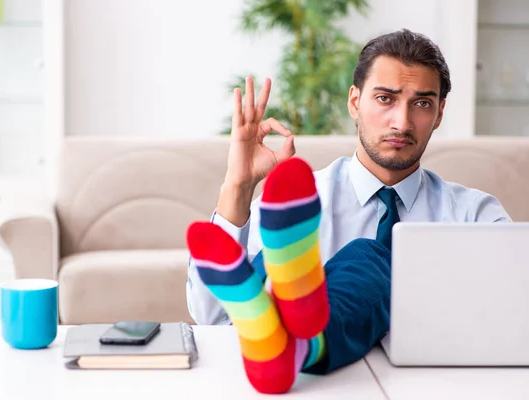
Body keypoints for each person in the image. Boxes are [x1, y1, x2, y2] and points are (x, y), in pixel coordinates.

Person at [185, 28, 511, 394]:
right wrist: (238, 187)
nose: (401, 123)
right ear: (355, 102)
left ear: (438, 114)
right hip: (328, 392)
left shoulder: (475, 215)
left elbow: (512, 314)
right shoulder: (298, 204)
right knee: (299, 264)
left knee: (371, 260)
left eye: (421, 103)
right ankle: (289, 324)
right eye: (385, 98)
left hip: (429, 387)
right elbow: (212, 317)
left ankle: (292, 341)